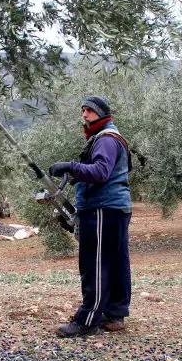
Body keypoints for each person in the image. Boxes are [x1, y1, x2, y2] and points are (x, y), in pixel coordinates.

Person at [49, 96, 132, 337]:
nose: (84, 115)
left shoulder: (105, 139)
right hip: (115, 208)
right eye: (83, 110)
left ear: (102, 114)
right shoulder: (112, 137)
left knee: (95, 264)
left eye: (90, 111)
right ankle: (115, 313)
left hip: (102, 209)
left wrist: (69, 166)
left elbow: (100, 172)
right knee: (116, 262)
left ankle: (88, 320)